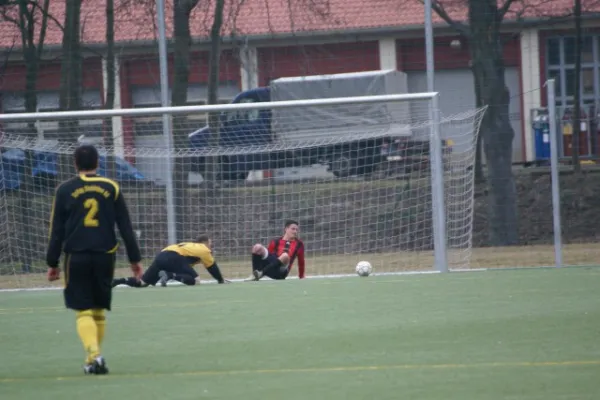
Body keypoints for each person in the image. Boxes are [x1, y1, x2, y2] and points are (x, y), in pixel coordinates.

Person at [46, 144, 143, 375]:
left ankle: (94, 355)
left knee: (83, 310)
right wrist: (135, 259)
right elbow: (125, 227)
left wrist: (52, 262)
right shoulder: (111, 187)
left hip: (76, 257)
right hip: (104, 256)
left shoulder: (65, 189)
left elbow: (56, 229)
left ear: (75, 164)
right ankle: (93, 360)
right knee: (98, 310)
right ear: (98, 163)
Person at [112, 234, 228, 287]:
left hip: (162, 255)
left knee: (143, 283)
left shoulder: (191, 248)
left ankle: (118, 281)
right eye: (210, 244)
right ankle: (169, 275)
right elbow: (212, 268)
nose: (211, 247)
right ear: (204, 243)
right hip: (174, 256)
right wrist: (221, 280)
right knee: (195, 280)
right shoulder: (203, 249)